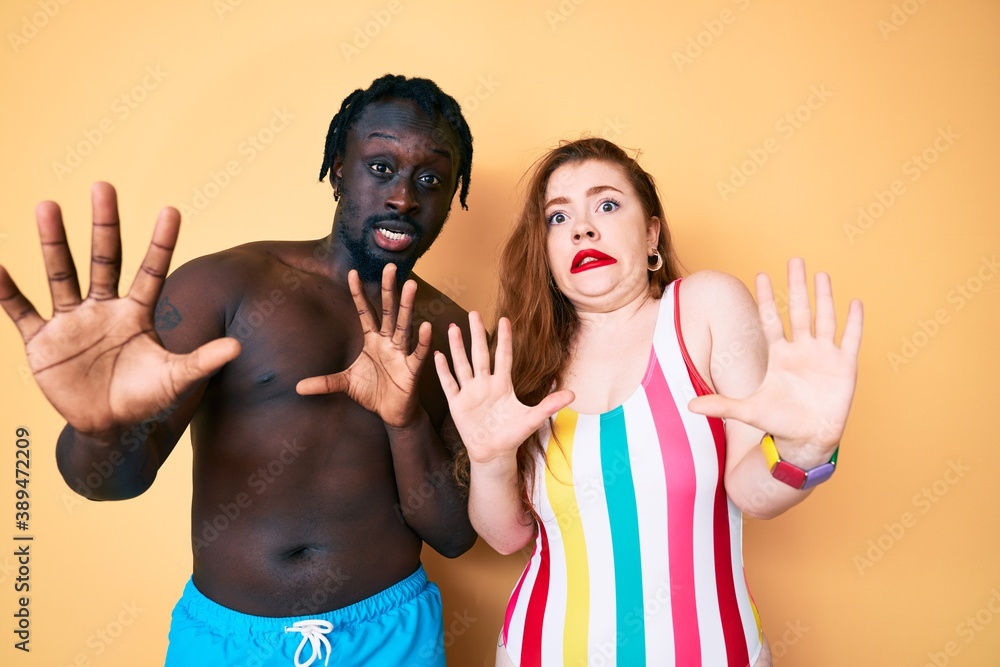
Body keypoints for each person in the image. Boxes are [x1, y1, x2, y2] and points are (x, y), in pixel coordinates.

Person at [0, 74, 479, 667]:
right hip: (229, 643)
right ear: (337, 168)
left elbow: (456, 537)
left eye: (430, 178)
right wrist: (100, 428)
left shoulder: (454, 335)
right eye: (380, 167)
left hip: (392, 636)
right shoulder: (225, 286)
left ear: (453, 193)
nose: (404, 197)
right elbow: (112, 481)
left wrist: (405, 423)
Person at [434, 138, 863, 667]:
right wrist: (489, 461)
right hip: (542, 650)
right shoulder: (523, 361)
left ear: (652, 232)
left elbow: (753, 495)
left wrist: (803, 451)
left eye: (607, 205)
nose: (582, 228)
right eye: (557, 217)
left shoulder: (704, 309)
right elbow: (506, 537)